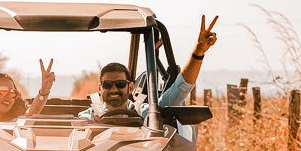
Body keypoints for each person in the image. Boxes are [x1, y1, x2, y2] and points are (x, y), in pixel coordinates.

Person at [80, 14, 218, 120]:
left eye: (120, 84)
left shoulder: (145, 113)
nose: (114, 89)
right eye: (108, 84)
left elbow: (180, 90)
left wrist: (198, 53)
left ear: (131, 87)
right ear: (100, 88)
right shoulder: (88, 117)